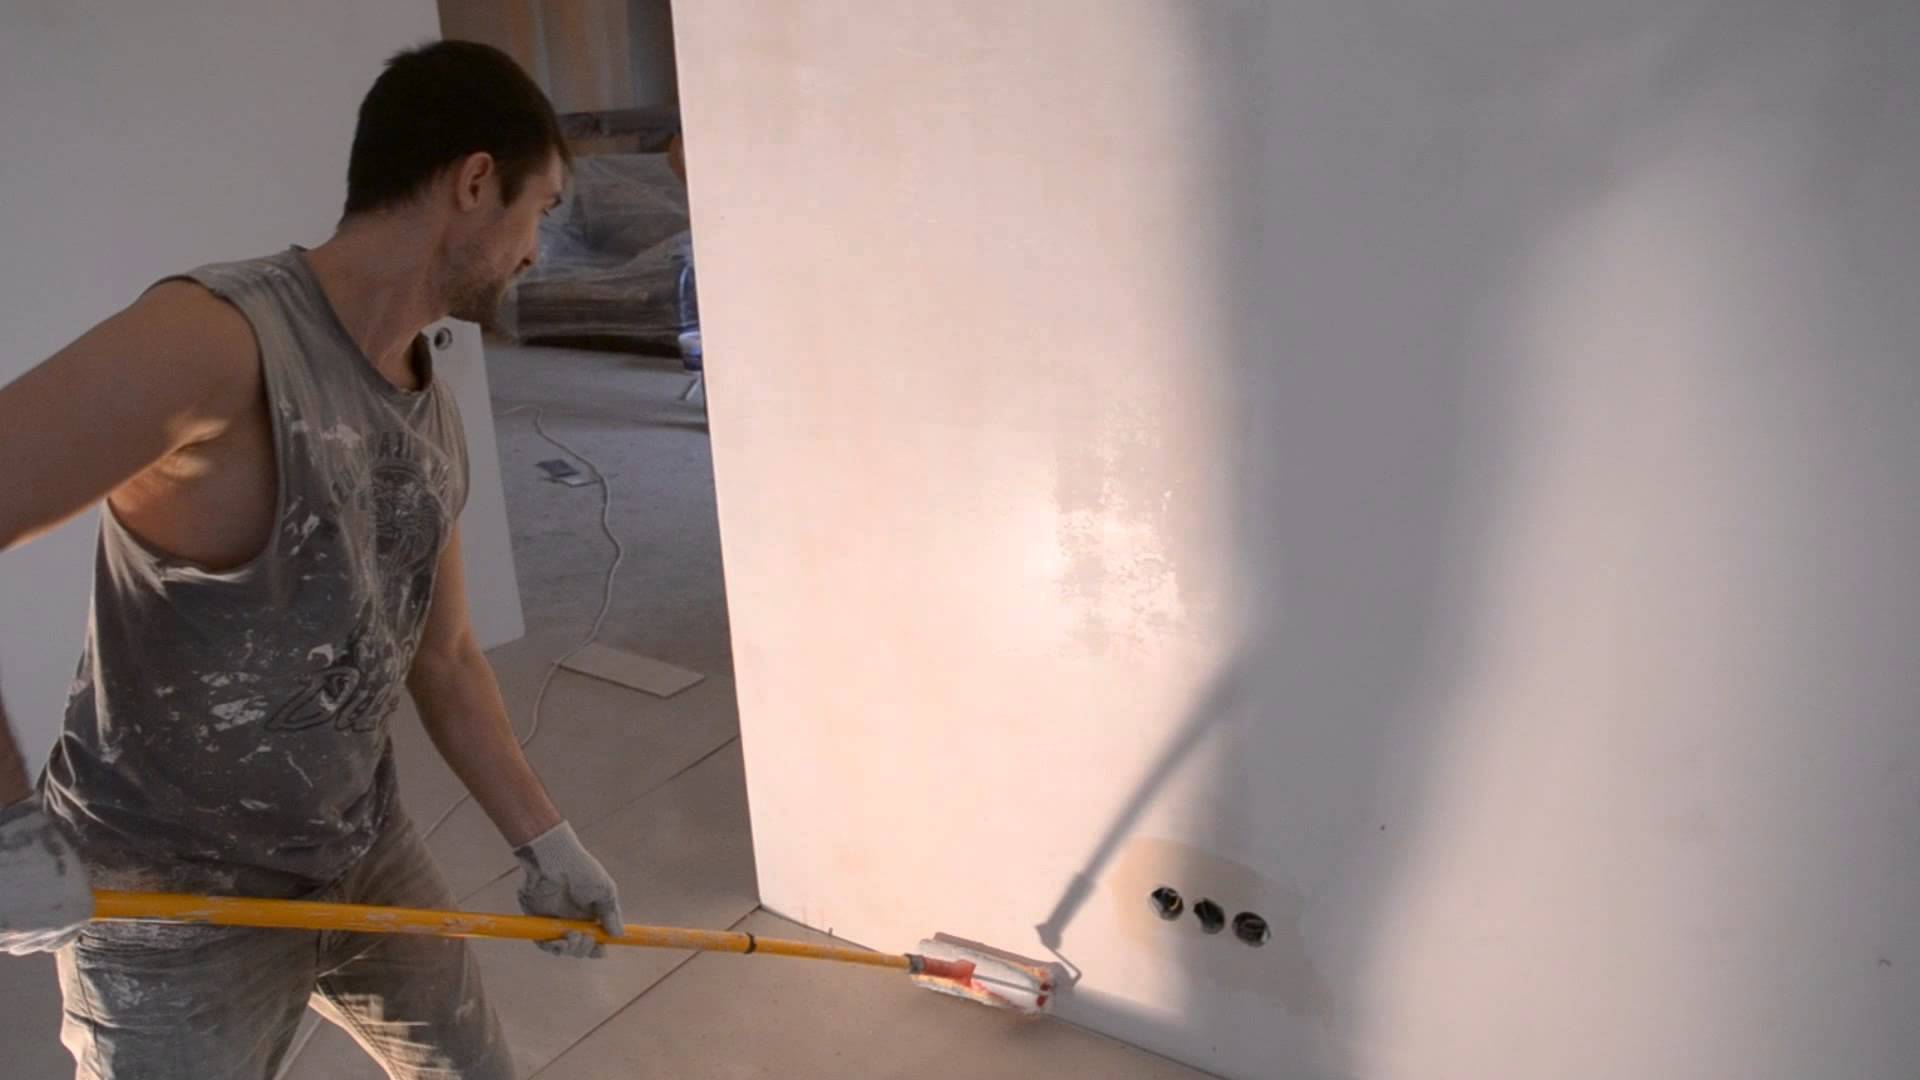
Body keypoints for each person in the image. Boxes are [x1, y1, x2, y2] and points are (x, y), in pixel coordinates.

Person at [0, 41, 621, 1079]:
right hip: (172, 900)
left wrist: (545, 840)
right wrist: (7, 825)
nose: (537, 251)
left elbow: (444, 658)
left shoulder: (430, 407)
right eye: (540, 210)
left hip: (359, 850)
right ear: (476, 182)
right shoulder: (217, 340)